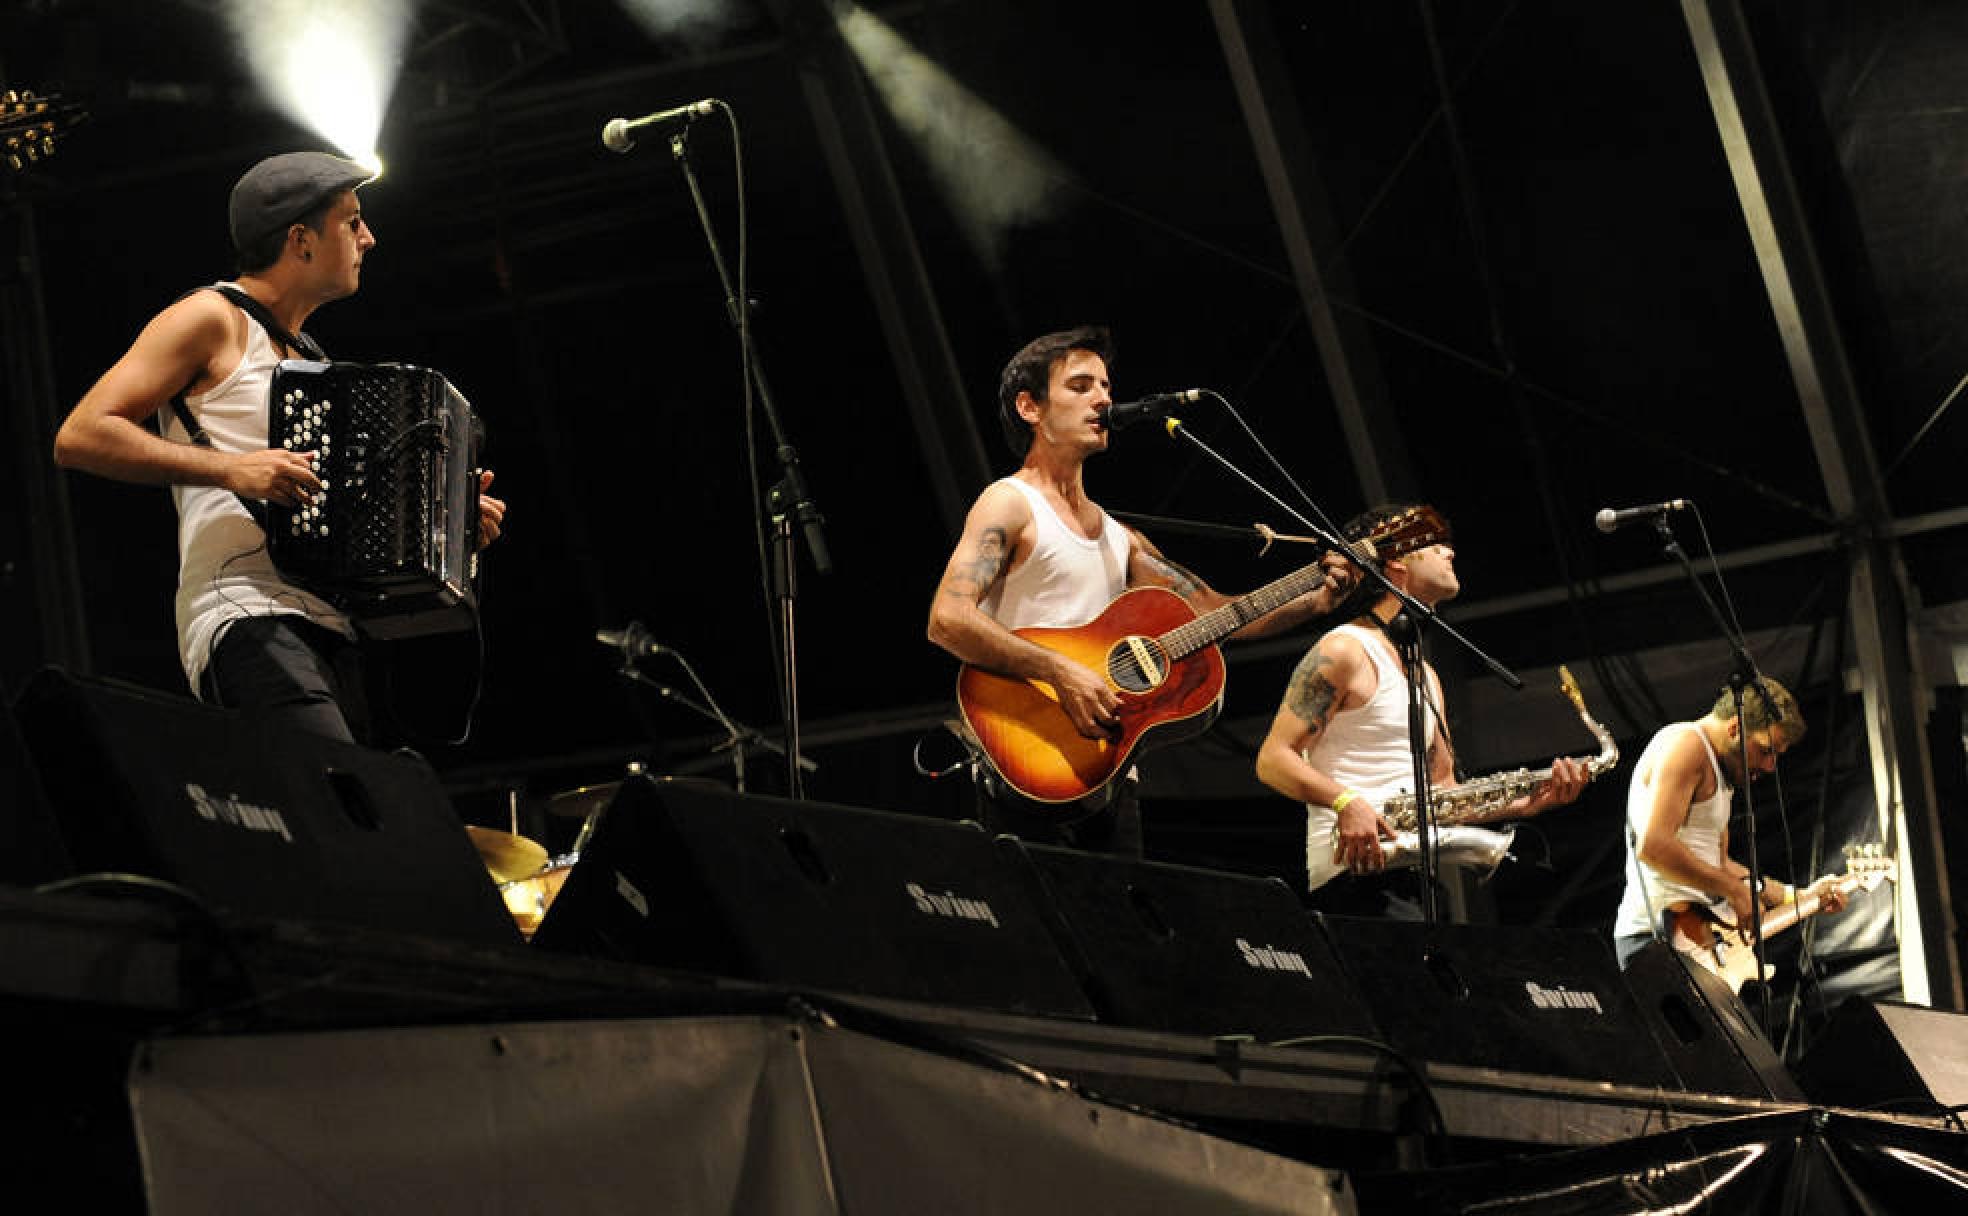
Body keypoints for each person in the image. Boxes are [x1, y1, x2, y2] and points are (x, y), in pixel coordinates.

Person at [53, 151, 506, 744]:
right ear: (301, 239)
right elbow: (81, 434)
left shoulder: (314, 362)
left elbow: (345, 518)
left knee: (372, 816)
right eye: (352, 221)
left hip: (338, 631)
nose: (369, 238)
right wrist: (232, 469)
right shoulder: (209, 317)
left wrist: (449, 522)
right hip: (248, 614)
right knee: (335, 798)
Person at [927, 325, 1354, 855]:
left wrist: (1314, 600)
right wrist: (1061, 671)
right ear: (1030, 407)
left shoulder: (1121, 538)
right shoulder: (1009, 504)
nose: (1104, 398)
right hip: (1024, 759)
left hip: (1110, 783)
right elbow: (947, 618)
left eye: (1105, 385)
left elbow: (1217, 614)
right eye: (1081, 386)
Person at [1254, 502, 1587, 913]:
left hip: (1416, 876)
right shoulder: (1344, 649)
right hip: (1352, 878)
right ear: (1394, 559)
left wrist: (1530, 802)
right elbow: (1272, 759)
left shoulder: (1425, 674)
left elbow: (1443, 793)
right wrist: (1345, 802)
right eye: (1436, 544)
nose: (1450, 552)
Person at [1611, 677, 1845, 968]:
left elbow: (1718, 865)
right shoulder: (1687, 745)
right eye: (1765, 750)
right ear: (1735, 727)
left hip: (1695, 935)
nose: (1770, 766)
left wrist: (1796, 896)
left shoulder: (1725, 772)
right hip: (1656, 937)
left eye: (1777, 756)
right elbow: (1654, 846)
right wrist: (1734, 890)